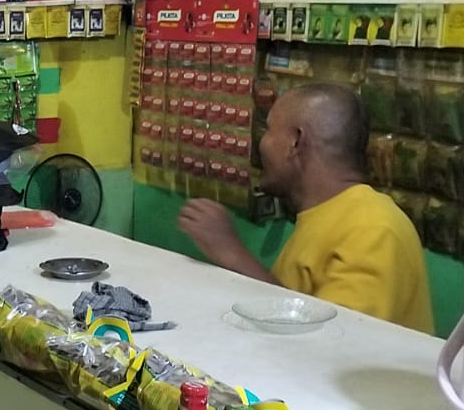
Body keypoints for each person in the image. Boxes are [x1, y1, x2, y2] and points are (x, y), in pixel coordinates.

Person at [177, 82, 433, 333]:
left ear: (296, 142)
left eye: (269, 130)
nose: (260, 143)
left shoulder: (373, 229)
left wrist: (233, 254)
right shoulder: (327, 215)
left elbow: (331, 341)